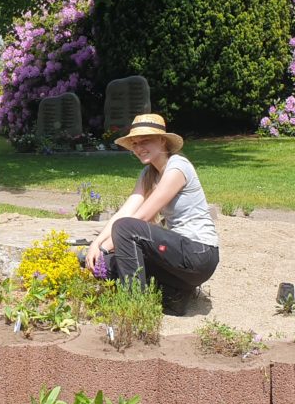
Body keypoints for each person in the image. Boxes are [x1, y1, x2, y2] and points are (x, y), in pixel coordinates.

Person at [84, 114, 219, 315]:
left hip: (199, 254)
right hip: (177, 260)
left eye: (145, 141)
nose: (139, 148)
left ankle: (135, 307)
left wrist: (105, 248)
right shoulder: (148, 174)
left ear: (162, 140)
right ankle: (174, 294)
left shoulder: (177, 167)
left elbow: (141, 217)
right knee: (107, 264)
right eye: (135, 143)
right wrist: (95, 245)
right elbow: (126, 211)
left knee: (123, 232)